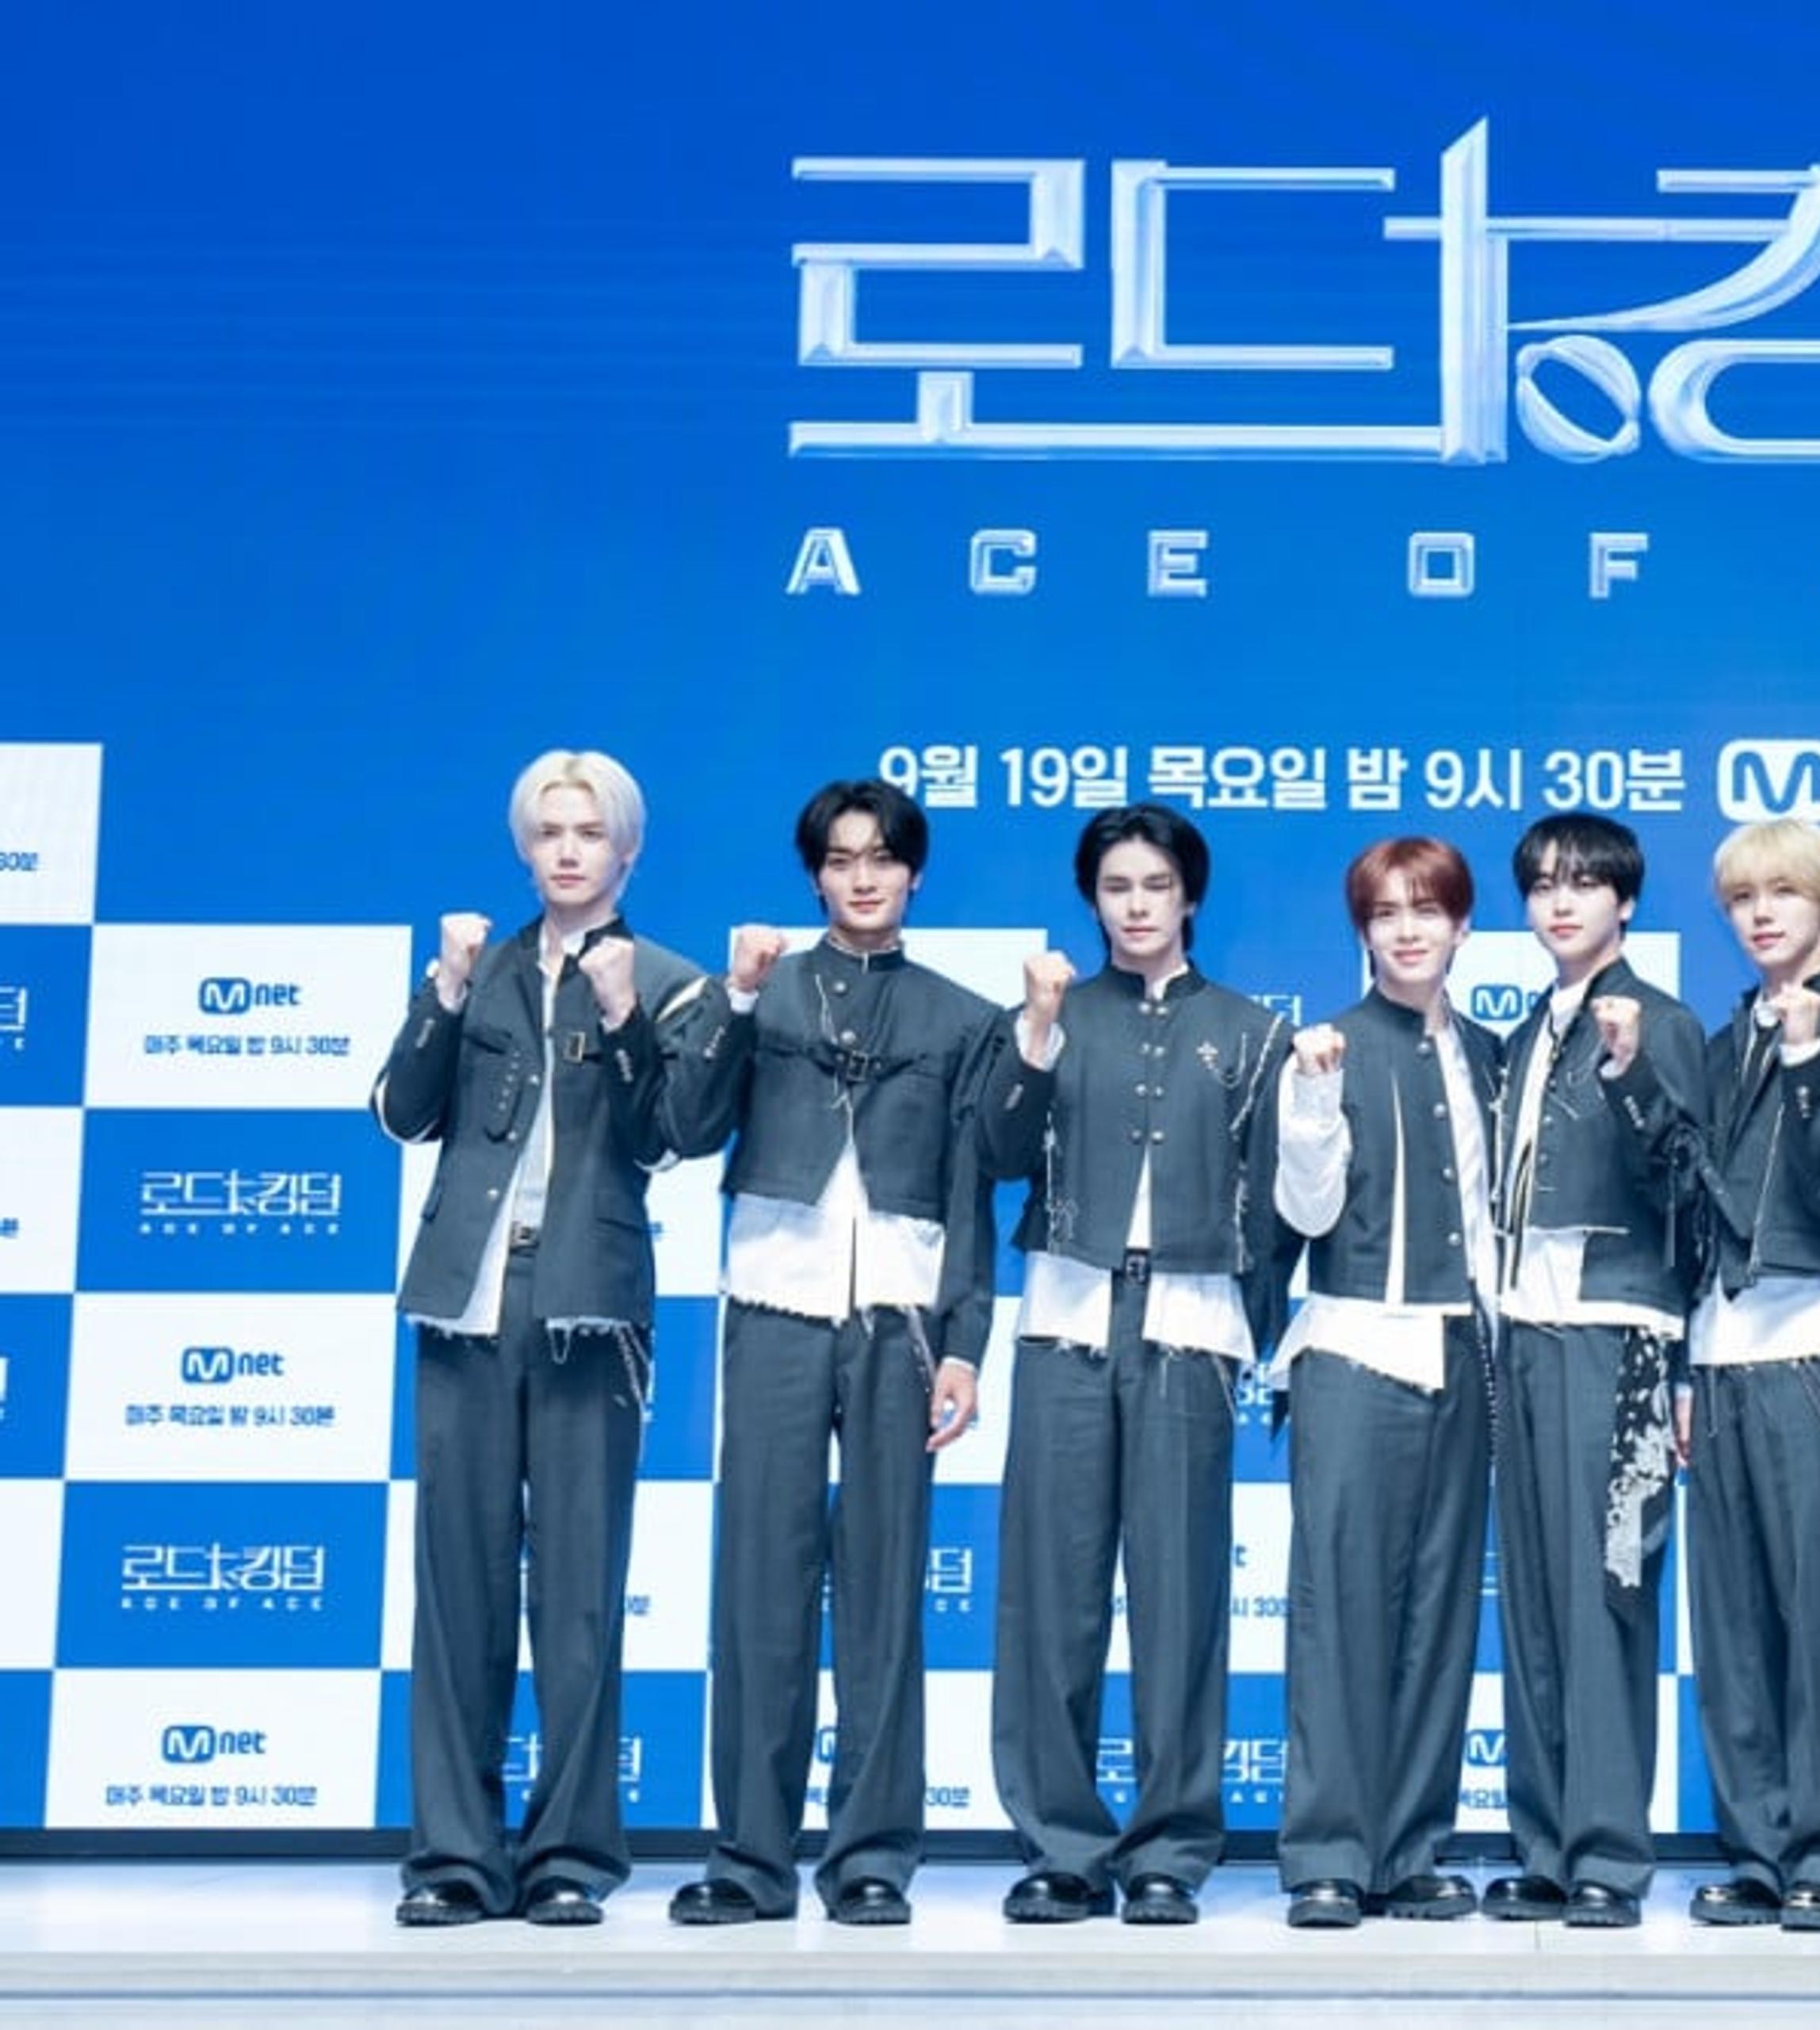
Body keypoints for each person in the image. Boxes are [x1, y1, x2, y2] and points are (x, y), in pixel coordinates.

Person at [373, 748, 712, 1928]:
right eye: (550, 832)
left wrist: (622, 1018)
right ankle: (454, 1859)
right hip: (469, 1302)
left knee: (577, 1595)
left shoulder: (669, 981)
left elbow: (674, 1135)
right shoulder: (483, 967)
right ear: (525, 848)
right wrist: (445, 988)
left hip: (589, 1302)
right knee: (457, 1589)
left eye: (590, 832)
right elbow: (401, 1111)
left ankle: (569, 1853)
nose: (569, 851)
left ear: (629, 850)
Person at [662, 779, 1004, 1928]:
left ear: (915, 874)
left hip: (900, 1318)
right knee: (759, 1582)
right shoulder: (763, 990)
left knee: (885, 1591)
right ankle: (748, 1858)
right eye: (843, 858)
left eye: (884, 858)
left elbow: (971, 1197)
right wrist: (734, 997)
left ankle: (872, 1857)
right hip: (774, 1303)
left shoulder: (963, 1018)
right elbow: (689, 1124)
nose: (864, 877)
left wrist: (963, 1345)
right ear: (815, 874)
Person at [981, 802, 1290, 1928]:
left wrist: (1253, 1334)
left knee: (1181, 1595)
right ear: (1092, 899)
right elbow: (995, 1152)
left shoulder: (1252, 1031)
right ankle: (1060, 1845)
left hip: (1192, 1326)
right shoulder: (1051, 1016)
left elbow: (1279, 1213)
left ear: (1190, 895)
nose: (1138, 904)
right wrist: (1034, 1032)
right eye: (1117, 886)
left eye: (1157, 884)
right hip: (1067, 1316)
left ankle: (1171, 1846)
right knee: (1051, 1593)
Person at [1608, 820, 1820, 1933]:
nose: (1762, 914)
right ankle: (1759, 1848)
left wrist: (1810, 1059)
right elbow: (1694, 1206)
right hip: (1723, 1354)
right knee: (1731, 1625)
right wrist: (1688, 1368)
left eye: (1784, 892)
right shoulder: (1727, 1037)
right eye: (1742, 898)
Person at [1268, 837, 1502, 1930]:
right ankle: (1326, 1851)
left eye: (1429, 909)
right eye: (1387, 912)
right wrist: (1315, 1102)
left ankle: (1409, 1849)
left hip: (1467, 1353)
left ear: (1463, 926)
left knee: (1440, 1612)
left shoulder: (1494, 1055)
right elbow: (1306, 1212)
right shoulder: (1325, 1048)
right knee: (1341, 1607)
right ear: (1362, 930)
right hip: (1358, 1350)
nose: (1409, 930)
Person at [1483, 811, 1707, 1929]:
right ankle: (1544, 1842)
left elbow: (1693, 1190)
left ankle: (1609, 1854)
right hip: (1523, 1328)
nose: (1560, 902)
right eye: (1541, 885)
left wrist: (1628, 1070)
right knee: (1532, 1594)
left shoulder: (1661, 1022)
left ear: (1627, 899)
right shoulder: (1527, 1028)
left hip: (1620, 1331)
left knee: (1608, 1589)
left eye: (1584, 883)